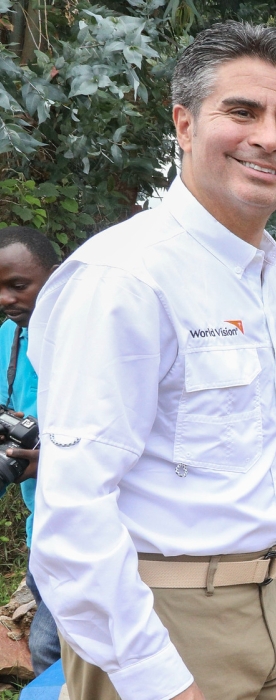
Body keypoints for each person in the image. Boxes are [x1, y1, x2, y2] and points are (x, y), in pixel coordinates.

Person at [26, 22, 276, 700]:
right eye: (242, 111)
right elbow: (74, 509)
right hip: (163, 617)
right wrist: (155, 678)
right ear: (183, 123)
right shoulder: (125, 278)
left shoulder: (260, 271)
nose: (270, 138)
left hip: (263, 602)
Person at [0, 226, 59, 675]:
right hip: (41, 524)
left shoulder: (92, 337)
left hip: (100, 527)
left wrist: (55, 461)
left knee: (49, 650)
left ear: (56, 276)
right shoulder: (7, 337)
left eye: (18, 286)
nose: (5, 299)